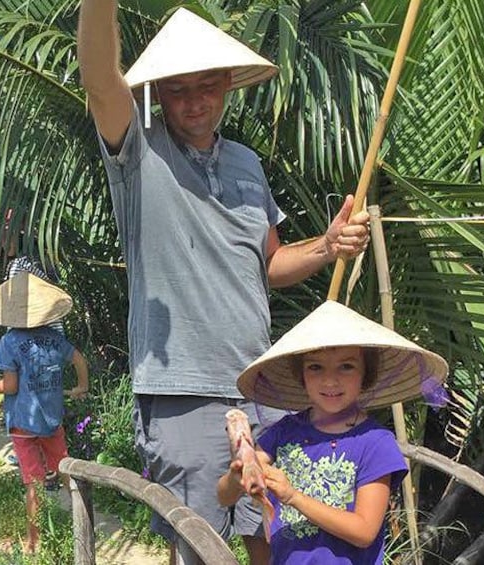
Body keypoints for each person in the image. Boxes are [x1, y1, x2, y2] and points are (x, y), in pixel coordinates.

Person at [77, 4, 372, 563]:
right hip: (182, 390)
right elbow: (98, 80)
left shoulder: (246, 164)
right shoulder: (139, 151)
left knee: (270, 534)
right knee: (196, 542)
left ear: (227, 86)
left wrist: (327, 245)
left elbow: (270, 266)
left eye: (207, 86)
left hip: (261, 383)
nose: (194, 101)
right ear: (158, 93)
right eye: (179, 89)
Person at [218, 300, 449, 563]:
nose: (330, 380)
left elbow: (364, 531)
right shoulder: (283, 432)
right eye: (315, 367)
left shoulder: (375, 443)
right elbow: (224, 497)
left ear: (366, 374)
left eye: (346, 366)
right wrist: (238, 475)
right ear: (301, 375)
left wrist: (294, 497)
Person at [0, 272, 90, 554]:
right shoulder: (55, 338)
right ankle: (84, 526)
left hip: (23, 424)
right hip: (51, 421)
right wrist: (81, 386)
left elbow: (10, 387)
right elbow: (79, 359)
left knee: (33, 483)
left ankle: (34, 542)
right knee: (66, 472)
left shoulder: (9, 342)